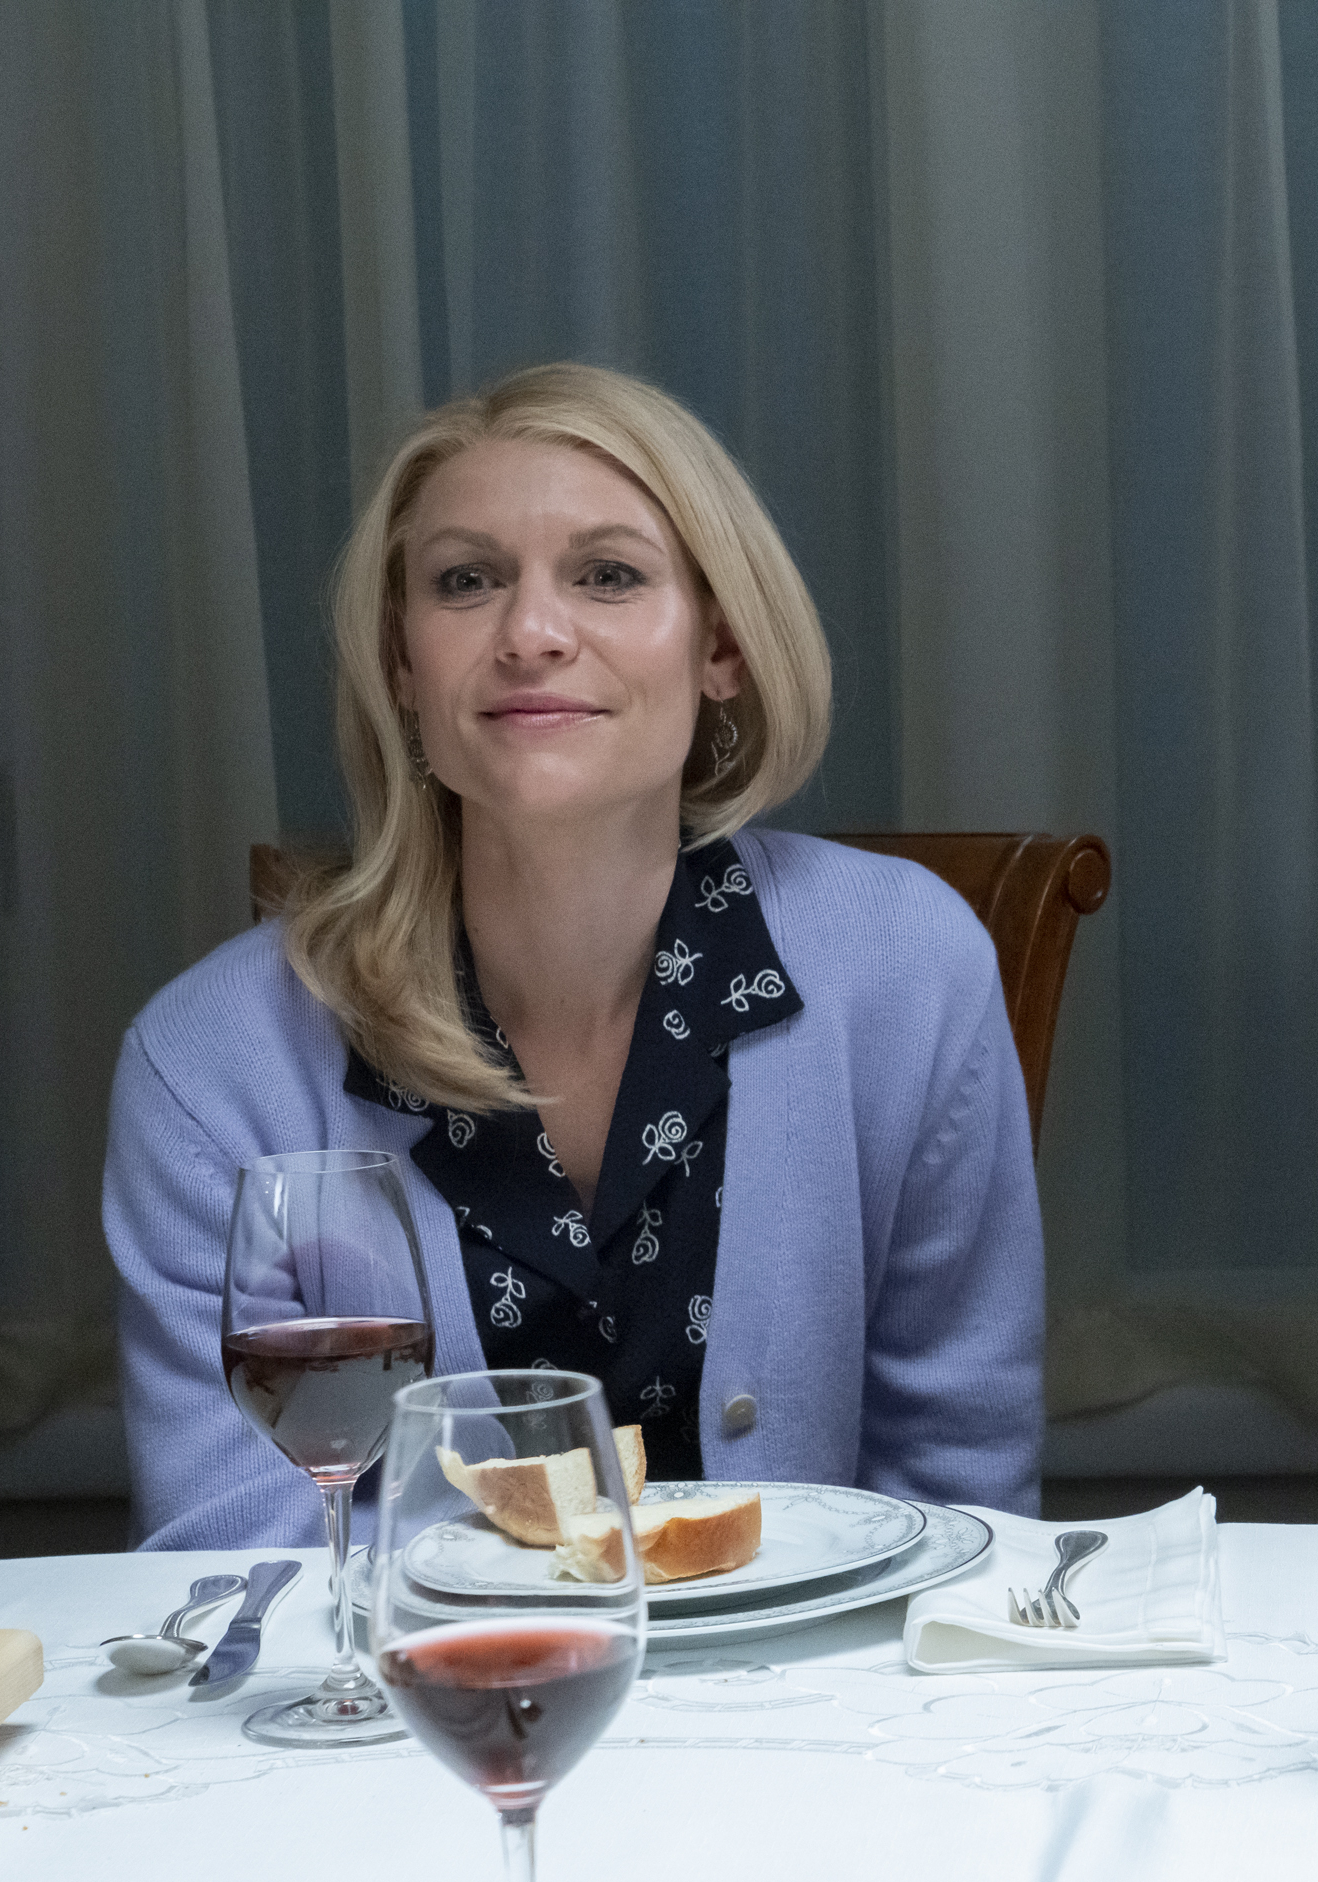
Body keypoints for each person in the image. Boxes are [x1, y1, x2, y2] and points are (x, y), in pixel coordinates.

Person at [107, 362, 1043, 1549]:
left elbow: (959, 1507)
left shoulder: (910, 967)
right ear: (402, 666)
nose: (532, 634)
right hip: (407, 1678)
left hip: (825, 1668)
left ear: (721, 646)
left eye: (608, 575)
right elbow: (235, 1560)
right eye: (466, 581)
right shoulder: (206, 1064)